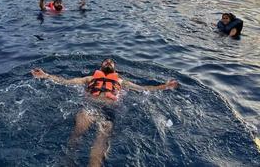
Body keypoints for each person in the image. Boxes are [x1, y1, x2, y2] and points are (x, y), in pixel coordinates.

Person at [31, 58, 179, 167]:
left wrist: (165, 86)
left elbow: (145, 89)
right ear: (101, 67)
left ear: (115, 70)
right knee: (77, 132)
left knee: (101, 139)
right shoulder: (89, 79)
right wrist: (46, 75)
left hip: (109, 111)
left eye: (111, 62)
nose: (108, 63)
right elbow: (67, 81)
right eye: (106, 62)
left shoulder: (122, 82)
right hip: (90, 107)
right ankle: (68, 161)